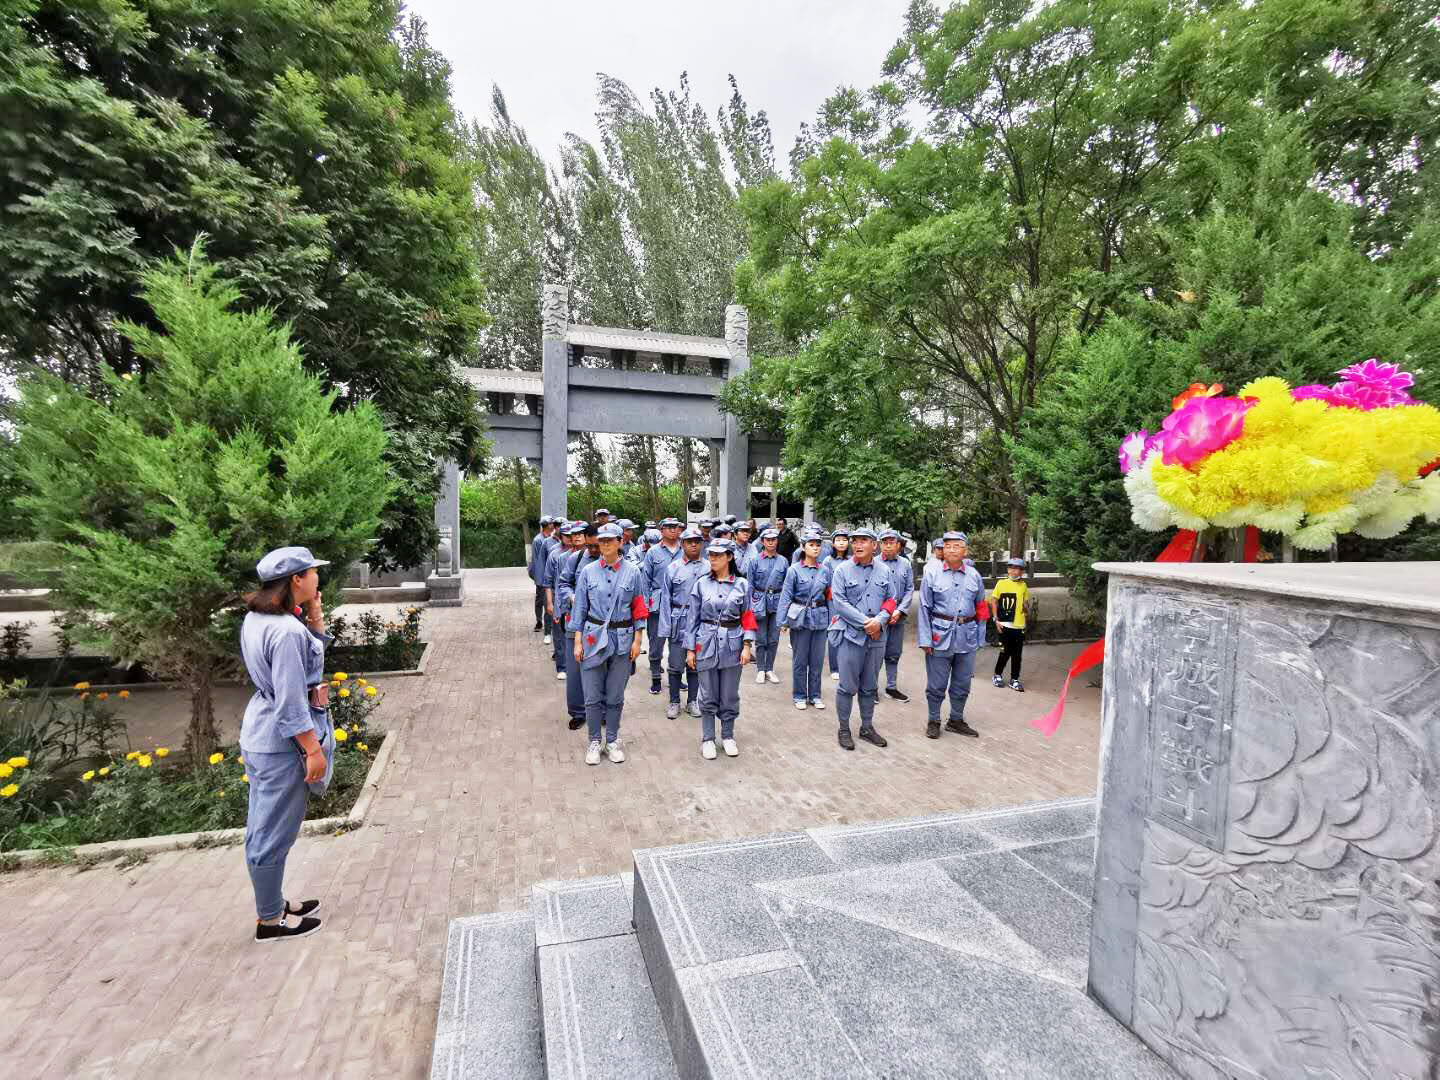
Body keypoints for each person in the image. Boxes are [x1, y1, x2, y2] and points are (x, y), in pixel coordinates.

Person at [238, 546, 332, 942]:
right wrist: (312, 750)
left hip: (259, 734)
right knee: (272, 834)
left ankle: (274, 903)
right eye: (312, 572)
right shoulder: (286, 631)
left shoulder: (261, 618)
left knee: (262, 827)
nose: (317, 578)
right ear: (296, 579)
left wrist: (315, 614)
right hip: (282, 745)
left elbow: (307, 659)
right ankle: (270, 921)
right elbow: (292, 702)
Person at [572, 523, 649, 764]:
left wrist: (638, 640)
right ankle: (594, 741)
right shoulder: (588, 572)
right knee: (592, 695)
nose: (604, 544)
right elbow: (580, 608)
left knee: (615, 696)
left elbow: (639, 607)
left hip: (623, 638)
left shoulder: (633, 572)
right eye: (601, 540)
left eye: (610, 540)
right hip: (592, 637)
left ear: (620, 542)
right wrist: (577, 641)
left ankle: (613, 740)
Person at [685, 539, 756, 758]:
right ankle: (708, 738)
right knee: (707, 693)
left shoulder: (742, 585)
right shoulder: (701, 584)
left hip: (733, 643)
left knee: (729, 693)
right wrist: (690, 649)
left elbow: (748, 616)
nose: (713, 558)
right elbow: (692, 619)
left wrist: (747, 645)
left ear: (730, 557)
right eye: (711, 555)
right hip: (705, 641)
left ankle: (727, 736)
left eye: (718, 555)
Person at [827, 527, 897, 750]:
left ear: (874, 545)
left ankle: (866, 727)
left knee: (869, 686)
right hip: (851, 636)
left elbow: (892, 599)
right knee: (847, 687)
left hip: (877, 639)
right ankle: (844, 729)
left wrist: (880, 621)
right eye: (855, 541)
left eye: (863, 541)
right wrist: (869, 624)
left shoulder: (884, 571)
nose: (857, 545)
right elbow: (839, 603)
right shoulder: (842, 570)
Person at [916, 531, 986, 739]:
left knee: (962, 683)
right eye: (948, 546)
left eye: (957, 546)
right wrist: (925, 639)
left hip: (967, 636)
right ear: (942, 550)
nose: (952, 550)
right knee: (936, 684)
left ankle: (956, 719)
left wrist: (980, 637)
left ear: (966, 550)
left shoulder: (974, 575)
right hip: (939, 636)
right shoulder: (932, 574)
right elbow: (924, 608)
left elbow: (981, 608)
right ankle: (934, 720)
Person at [657, 525, 708, 719]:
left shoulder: (709, 567)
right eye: (689, 542)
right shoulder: (673, 568)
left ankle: (693, 701)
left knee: (696, 664)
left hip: (701, 621)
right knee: (675, 664)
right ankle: (674, 701)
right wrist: (666, 628)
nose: (693, 545)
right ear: (682, 544)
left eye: (697, 542)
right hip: (679, 620)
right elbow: (665, 600)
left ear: (702, 544)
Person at [778, 528, 832, 710]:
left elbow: (829, 596)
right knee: (800, 660)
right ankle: (799, 695)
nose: (815, 548)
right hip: (800, 617)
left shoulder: (825, 570)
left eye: (818, 545)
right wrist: (783, 621)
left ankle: (815, 695)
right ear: (803, 547)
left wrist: (833, 620)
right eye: (811, 545)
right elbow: (786, 596)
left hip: (820, 617)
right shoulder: (794, 570)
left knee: (817, 660)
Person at [557, 523, 599, 727]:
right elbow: (563, 583)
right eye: (590, 546)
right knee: (574, 670)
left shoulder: (614, 561)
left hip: (601, 624)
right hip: (576, 620)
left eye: (597, 545)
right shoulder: (577, 558)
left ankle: (602, 711)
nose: (593, 550)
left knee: (601, 668)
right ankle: (578, 712)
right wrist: (572, 597)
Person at [642, 517, 684, 695]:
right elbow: (645, 580)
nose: (673, 530)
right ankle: (656, 678)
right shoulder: (653, 552)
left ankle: (677, 677)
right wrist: (645, 605)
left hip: (680, 603)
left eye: (676, 527)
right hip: (658, 603)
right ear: (662, 530)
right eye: (669, 527)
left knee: (679, 642)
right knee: (656, 642)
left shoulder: (685, 549)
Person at [744, 526, 788, 685]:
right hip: (759, 601)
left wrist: (786, 609)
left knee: (774, 639)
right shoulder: (755, 560)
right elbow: (749, 585)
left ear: (777, 541)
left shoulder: (783, 561)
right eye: (767, 540)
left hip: (777, 601)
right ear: (762, 541)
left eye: (773, 539)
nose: (770, 542)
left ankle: (770, 668)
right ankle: (761, 669)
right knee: (761, 638)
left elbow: (787, 587)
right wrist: (749, 607)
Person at [878, 529, 914, 702]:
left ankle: (891, 687)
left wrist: (899, 610)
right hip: (879, 618)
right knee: (875, 654)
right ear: (880, 545)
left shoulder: (905, 564)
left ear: (898, 545)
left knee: (893, 653)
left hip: (898, 617)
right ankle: (870, 688)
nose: (887, 546)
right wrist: (886, 613)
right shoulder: (874, 563)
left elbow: (909, 589)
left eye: (891, 543)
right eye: (884, 543)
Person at [991, 557, 1033, 692]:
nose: (1014, 571)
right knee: (1004, 652)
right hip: (1004, 625)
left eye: (1018, 569)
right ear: (1008, 569)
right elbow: (994, 601)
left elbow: (1025, 604)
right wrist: (996, 619)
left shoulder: (1023, 585)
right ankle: (997, 675)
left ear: (1022, 572)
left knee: (1017, 655)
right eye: (1011, 568)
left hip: (1019, 626)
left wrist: (1027, 610)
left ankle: (1014, 679)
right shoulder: (1001, 583)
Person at [823, 528, 851, 680]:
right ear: (833, 543)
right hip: (833, 601)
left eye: (844, 540)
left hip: (850, 601)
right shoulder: (828, 561)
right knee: (834, 631)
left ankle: (846, 665)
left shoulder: (852, 560)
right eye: (838, 540)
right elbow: (825, 583)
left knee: (848, 632)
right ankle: (834, 667)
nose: (841, 543)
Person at [529, 516, 556, 636]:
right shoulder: (538, 540)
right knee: (540, 600)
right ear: (547, 525)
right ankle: (539, 621)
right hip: (542, 575)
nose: (553, 525)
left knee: (549, 600)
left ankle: (549, 623)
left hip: (550, 575)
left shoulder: (552, 538)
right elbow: (537, 561)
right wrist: (539, 579)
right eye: (552, 523)